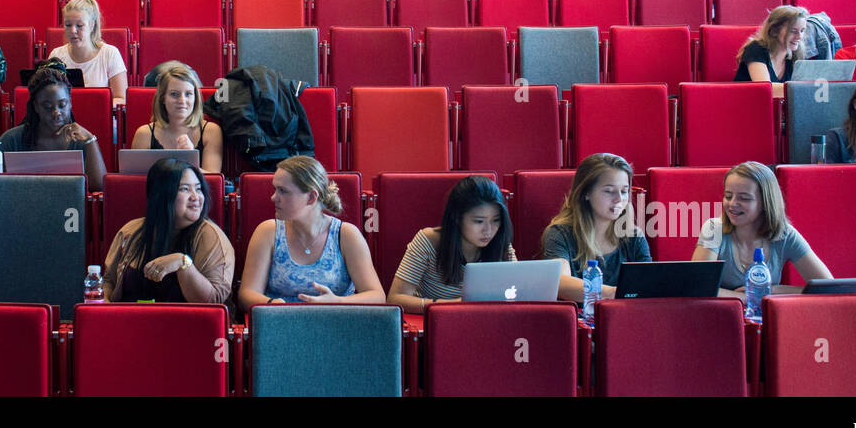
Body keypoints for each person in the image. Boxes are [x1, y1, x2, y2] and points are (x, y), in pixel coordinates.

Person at [237, 155, 384, 306]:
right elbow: (246, 294)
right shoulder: (268, 232)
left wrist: (337, 301)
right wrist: (272, 303)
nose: (274, 197)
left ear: (311, 197)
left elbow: (377, 296)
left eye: (283, 191)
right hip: (282, 324)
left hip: (335, 322)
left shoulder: (346, 235)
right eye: (275, 189)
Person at [692, 161, 832, 298]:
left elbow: (827, 287)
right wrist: (746, 297)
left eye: (744, 198)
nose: (732, 204)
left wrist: (773, 290)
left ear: (765, 203)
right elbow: (697, 286)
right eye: (728, 196)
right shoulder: (713, 228)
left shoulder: (786, 234)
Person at [102, 158, 234, 303]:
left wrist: (183, 263)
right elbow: (109, 282)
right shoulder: (131, 231)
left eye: (198, 189)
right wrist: (105, 306)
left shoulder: (210, 236)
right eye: (184, 189)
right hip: (128, 320)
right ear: (161, 195)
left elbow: (213, 303)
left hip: (185, 323)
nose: (196, 197)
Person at [388, 176, 517, 313]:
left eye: (495, 220)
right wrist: (454, 305)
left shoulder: (500, 242)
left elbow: (520, 290)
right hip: (434, 325)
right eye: (479, 221)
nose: (489, 230)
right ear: (457, 217)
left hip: (484, 323)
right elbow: (395, 299)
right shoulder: (428, 240)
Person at [542, 154, 650, 301]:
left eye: (624, 191)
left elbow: (647, 285)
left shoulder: (633, 236)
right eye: (609, 191)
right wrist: (615, 293)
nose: (619, 199)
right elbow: (560, 284)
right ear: (586, 193)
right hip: (578, 321)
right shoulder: (559, 233)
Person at [0, 60, 106, 192]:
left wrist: (90, 140)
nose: (56, 112)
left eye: (62, 105)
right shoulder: (12, 139)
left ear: (70, 103)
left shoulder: (81, 140)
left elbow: (99, 186)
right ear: (35, 107)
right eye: (47, 107)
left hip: (70, 210)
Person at [128, 63, 223, 174]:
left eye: (188, 94)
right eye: (174, 94)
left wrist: (189, 159)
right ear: (163, 98)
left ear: (195, 98)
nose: (182, 101)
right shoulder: (144, 134)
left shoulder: (211, 131)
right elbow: (135, 181)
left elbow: (214, 182)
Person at [47, 0, 127, 107]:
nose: (73, 31)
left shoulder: (110, 54)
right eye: (68, 25)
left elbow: (121, 98)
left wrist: (91, 105)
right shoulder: (57, 55)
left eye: (79, 26)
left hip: (100, 119)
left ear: (91, 25)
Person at [734, 5, 808, 98]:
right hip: (745, 107)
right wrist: (807, 88)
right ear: (774, 31)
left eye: (802, 31)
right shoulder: (755, 49)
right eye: (793, 31)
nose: (799, 36)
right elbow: (766, 89)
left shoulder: (795, 55)